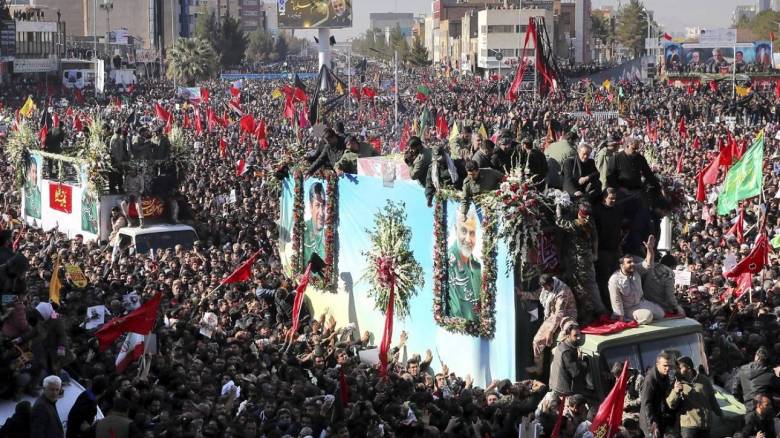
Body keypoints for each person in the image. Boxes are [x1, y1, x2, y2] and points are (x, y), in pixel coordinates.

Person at [556, 203, 607, 320]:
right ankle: (601, 311)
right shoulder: (591, 221)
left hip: (580, 262)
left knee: (582, 288)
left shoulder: (579, 223)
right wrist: (595, 253)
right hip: (588, 258)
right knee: (592, 285)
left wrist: (558, 210)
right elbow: (595, 239)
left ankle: (590, 314)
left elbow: (560, 222)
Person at [519, 274, 577, 374]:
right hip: (552, 316)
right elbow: (537, 295)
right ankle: (538, 367)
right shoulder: (546, 288)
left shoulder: (562, 292)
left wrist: (550, 332)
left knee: (561, 344)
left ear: (550, 284)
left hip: (566, 316)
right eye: (543, 287)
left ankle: (559, 371)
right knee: (537, 341)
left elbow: (560, 313)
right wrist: (523, 294)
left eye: (545, 287)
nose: (544, 289)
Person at [608, 236, 665, 324]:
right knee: (647, 316)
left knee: (661, 313)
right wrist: (621, 319)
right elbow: (616, 301)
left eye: (633, 261)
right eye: (629, 262)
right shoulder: (614, 279)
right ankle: (629, 318)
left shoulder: (636, 270)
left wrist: (649, 249)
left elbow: (648, 265)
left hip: (640, 303)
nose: (633, 264)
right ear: (622, 265)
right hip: (627, 309)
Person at [666, 356, 722, 438]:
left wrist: (720, 414)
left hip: (705, 425)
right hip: (688, 426)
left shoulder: (704, 380)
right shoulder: (676, 382)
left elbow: (712, 400)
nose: (677, 370)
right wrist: (675, 392)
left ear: (688, 368)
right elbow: (670, 403)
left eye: (679, 367)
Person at [446, 210, 481, 320]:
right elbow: (455, 317)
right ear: (456, 230)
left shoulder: (477, 266)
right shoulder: (447, 263)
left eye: (472, 233)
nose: (468, 239)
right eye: (464, 231)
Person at [731, 347, 780, 412]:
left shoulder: (742, 369)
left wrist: (743, 401)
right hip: (762, 408)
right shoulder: (770, 375)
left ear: (756, 356)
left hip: (748, 405)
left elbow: (735, 390)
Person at [640, 351, 675, 438]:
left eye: (669, 366)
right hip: (650, 421)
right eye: (665, 366)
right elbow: (646, 404)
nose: (668, 368)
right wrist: (652, 424)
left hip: (661, 418)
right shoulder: (650, 379)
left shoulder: (665, 376)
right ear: (657, 364)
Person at [548, 322, 587, 397]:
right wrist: (582, 362)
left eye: (579, 334)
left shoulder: (562, 345)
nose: (579, 337)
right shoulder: (567, 352)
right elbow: (576, 373)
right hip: (564, 391)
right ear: (568, 335)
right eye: (575, 335)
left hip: (557, 386)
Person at [302, 182, 326, 266]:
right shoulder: (302, 231)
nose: (322, 213)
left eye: (323, 205)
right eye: (317, 205)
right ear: (310, 207)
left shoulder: (329, 233)